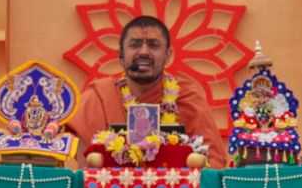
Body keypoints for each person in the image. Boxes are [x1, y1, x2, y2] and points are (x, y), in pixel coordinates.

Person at [68, 15, 229, 166]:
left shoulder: (188, 97)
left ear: (168, 55)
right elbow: (84, 167)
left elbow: (212, 162)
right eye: (135, 44)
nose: (144, 52)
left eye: (153, 45)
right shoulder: (98, 98)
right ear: (121, 56)